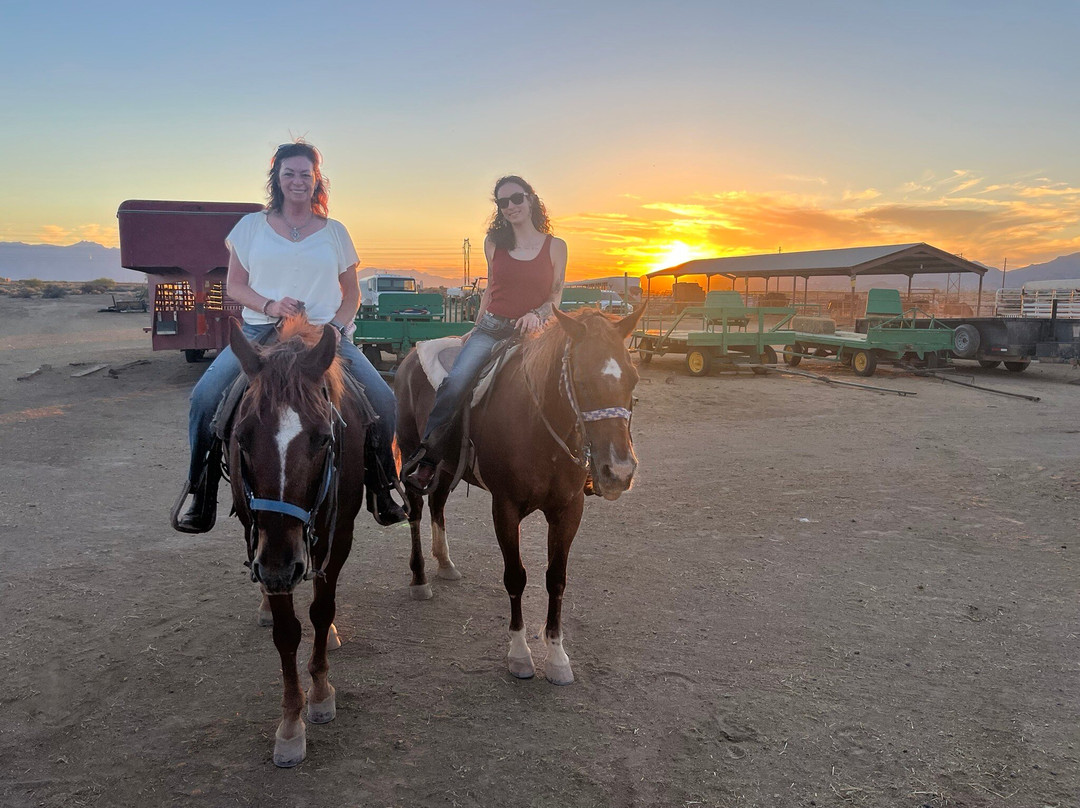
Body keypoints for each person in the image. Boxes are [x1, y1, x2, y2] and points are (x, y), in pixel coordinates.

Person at [172, 141, 407, 532]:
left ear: (316, 180)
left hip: (323, 334)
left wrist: (336, 327)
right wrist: (269, 305)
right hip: (260, 331)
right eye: (289, 173)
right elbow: (235, 285)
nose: (298, 181)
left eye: (305, 174)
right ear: (276, 179)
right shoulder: (250, 227)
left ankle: (383, 487)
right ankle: (202, 491)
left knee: (382, 399)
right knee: (205, 398)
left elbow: (352, 293)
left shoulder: (335, 232)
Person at [402, 175, 568, 493]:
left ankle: (584, 462)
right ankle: (429, 459)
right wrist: (475, 329)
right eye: (503, 202)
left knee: (571, 382)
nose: (511, 206)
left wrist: (537, 315)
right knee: (456, 383)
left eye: (516, 198)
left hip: (535, 334)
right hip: (491, 328)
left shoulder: (556, 247)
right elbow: (491, 290)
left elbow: (555, 296)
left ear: (531, 199)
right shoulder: (494, 243)